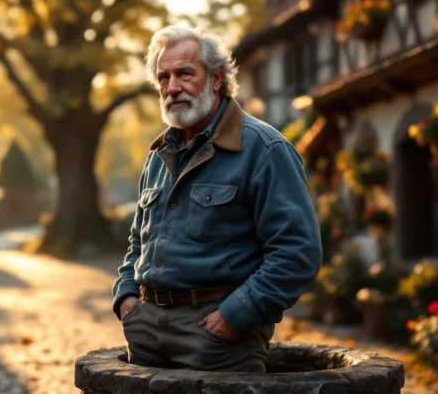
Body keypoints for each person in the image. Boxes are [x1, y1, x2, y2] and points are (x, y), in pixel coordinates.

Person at [112, 25, 322, 373]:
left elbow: (298, 251)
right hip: (145, 332)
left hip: (217, 338)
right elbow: (138, 240)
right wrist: (126, 298)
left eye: (185, 73)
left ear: (216, 79)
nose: (172, 87)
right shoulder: (158, 154)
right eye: (163, 77)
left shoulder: (264, 149)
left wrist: (234, 315)